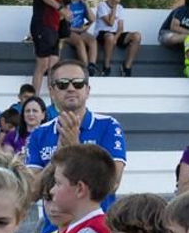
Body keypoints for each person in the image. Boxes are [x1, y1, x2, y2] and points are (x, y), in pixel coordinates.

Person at [23, 59, 128, 212]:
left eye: (78, 83)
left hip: (96, 229)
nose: (71, 88)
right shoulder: (39, 133)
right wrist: (60, 156)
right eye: (62, 84)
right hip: (53, 232)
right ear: (52, 91)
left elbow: (112, 184)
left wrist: (75, 150)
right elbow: (31, 192)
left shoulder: (108, 126)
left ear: (87, 90)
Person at [29, 0, 72, 97]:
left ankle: (54, 100)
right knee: (42, 65)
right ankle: (33, 99)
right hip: (43, 25)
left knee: (53, 66)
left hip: (53, 28)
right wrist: (60, 8)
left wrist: (64, 14)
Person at [94, 0, 141, 78]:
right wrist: (114, 7)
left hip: (115, 34)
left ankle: (127, 66)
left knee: (137, 35)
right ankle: (106, 66)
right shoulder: (102, 5)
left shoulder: (121, 8)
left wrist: (116, 38)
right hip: (102, 33)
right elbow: (110, 23)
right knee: (110, 37)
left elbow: (120, 27)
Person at [63, 0, 98, 75]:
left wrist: (86, 3)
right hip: (68, 31)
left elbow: (92, 19)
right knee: (79, 41)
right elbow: (63, 26)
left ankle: (92, 66)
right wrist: (79, 30)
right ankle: (85, 68)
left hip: (80, 31)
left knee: (92, 40)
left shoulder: (82, 4)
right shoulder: (66, 4)